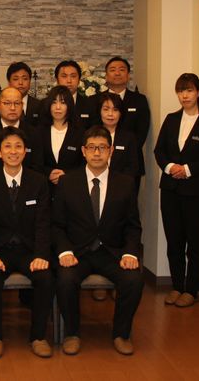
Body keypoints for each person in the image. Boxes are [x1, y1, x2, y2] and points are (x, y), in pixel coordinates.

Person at [53, 125, 143, 356]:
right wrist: (65, 252)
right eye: (92, 147)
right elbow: (57, 225)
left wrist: (130, 253)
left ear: (110, 151)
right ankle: (72, 333)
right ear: (83, 151)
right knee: (65, 279)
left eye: (102, 148)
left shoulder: (125, 183)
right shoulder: (67, 182)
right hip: (78, 252)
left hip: (112, 252)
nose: (96, 153)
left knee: (133, 279)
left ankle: (121, 334)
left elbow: (133, 225)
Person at [0, 126, 54, 359]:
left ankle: (38, 337)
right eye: (7, 146)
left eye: (18, 146)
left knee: (46, 278)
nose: (13, 151)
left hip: (29, 250)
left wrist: (41, 254)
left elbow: (43, 223)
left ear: (25, 150)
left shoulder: (38, 182)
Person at [154, 73, 199, 308]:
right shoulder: (171, 119)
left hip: (196, 192)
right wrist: (169, 167)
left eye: (189, 90)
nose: (184, 95)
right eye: (181, 91)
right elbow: (159, 151)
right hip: (170, 189)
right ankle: (177, 285)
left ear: (198, 92)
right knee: (174, 241)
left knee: (195, 242)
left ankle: (191, 289)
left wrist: (188, 169)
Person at [0, 86, 43, 180]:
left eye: (17, 103)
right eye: (7, 103)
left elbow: (37, 166)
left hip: (27, 186)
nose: (13, 108)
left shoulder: (34, 133)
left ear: (22, 105)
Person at [102, 56, 151, 184]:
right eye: (113, 70)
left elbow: (142, 131)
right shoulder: (94, 100)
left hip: (130, 164)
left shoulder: (139, 100)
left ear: (128, 75)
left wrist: (124, 151)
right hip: (98, 162)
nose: (117, 73)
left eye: (122, 70)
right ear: (106, 76)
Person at [38, 85, 84, 189]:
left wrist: (66, 174)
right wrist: (49, 173)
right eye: (54, 102)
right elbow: (35, 163)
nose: (58, 107)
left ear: (69, 105)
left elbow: (83, 164)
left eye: (63, 103)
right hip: (45, 188)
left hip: (72, 187)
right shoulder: (39, 132)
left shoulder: (80, 133)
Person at [97, 92, 141, 180]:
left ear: (121, 113)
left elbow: (133, 167)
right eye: (106, 109)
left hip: (120, 183)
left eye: (115, 110)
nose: (110, 114)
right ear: (99, 111)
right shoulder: (91, 135)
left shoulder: (129, 138)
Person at [40, 60, 97, 127]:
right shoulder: (44, 104)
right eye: (64, 76)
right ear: (57, 80)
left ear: (79, 80)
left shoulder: (90, 105)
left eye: (73, 76)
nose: (69, 81)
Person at [6, 61, 43, 126]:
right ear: (9, 82)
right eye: (16, 79)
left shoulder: (40, 106)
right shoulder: (0, 106)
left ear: (30, 81)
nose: (20, 83)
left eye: (25, 79)